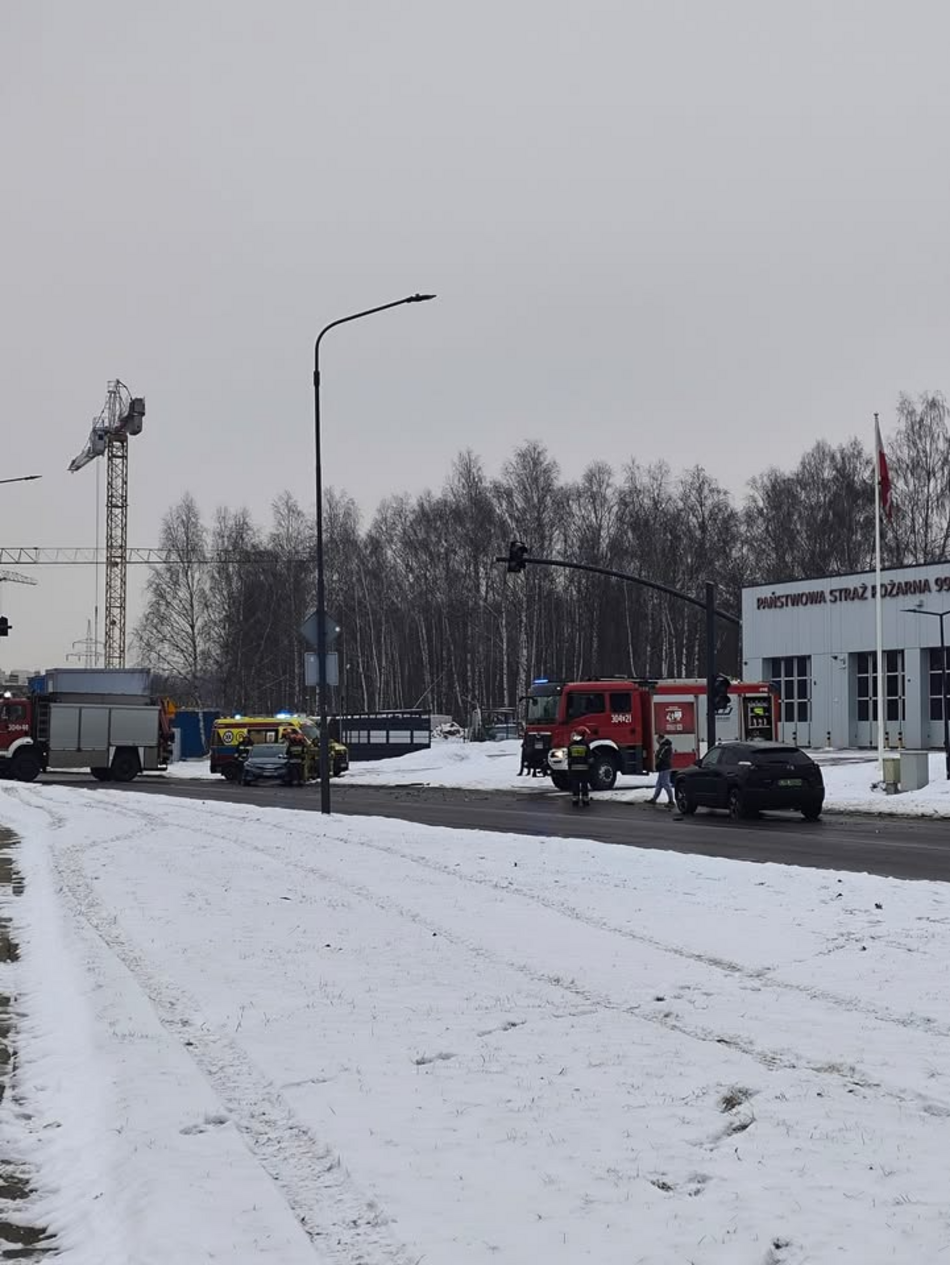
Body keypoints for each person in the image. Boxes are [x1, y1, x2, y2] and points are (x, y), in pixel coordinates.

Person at [567, 727, 592, 807]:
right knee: (584, 785)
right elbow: (589, 759)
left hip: (574, 769)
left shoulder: (571, 745)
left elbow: (569, 759)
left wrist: (569, 769)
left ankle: (575, 800)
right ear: (583, 735)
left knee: (575, 785)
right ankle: (585, 801)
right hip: (584, 769)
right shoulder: (585, 744)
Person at [650, 731, 675, 808]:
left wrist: (657, 764)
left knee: (665, 784)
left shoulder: (664, 747)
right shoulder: (666, 746)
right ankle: (654, 799)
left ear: (660, 739)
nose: (656, 741)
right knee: (659, 784)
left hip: (664, 768)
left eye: (657, 740)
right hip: (664, 768)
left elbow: (660, 757)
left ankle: (671, 801)